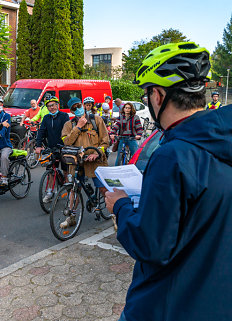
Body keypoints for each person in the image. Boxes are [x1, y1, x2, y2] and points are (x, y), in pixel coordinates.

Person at [105, 42, 232, 321]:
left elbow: (151, 247)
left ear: (158, 95)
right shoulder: (222, 140)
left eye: (147, 93)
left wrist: (122, 206)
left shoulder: (172, 155)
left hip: (167, 303)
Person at [60, 97, 109, 227]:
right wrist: (78, 127)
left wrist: (97, 152)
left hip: (95, 160)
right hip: (77, 161)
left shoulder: (96, 120)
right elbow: (67, 142)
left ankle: (115, 214)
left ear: (83, 105)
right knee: (74, 189)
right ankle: (71, 216)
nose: (77, 109)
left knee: (104, 188)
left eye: (78, 105)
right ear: (71, 110)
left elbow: (105, 140)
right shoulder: (68, 125)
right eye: (74, 108)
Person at [34, 96, 70, 203]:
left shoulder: (64, 116)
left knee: (65, 170)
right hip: (51, 148)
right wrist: (38, 145)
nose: (52, 108)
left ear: (57, 105)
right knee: (50, 171)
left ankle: (68, 192)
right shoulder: (46, 118)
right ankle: (50, 192)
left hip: (63, 147)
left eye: (53, 105)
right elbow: (41, 132)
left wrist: (66, 144)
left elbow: (67, 130)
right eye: (49, 106)